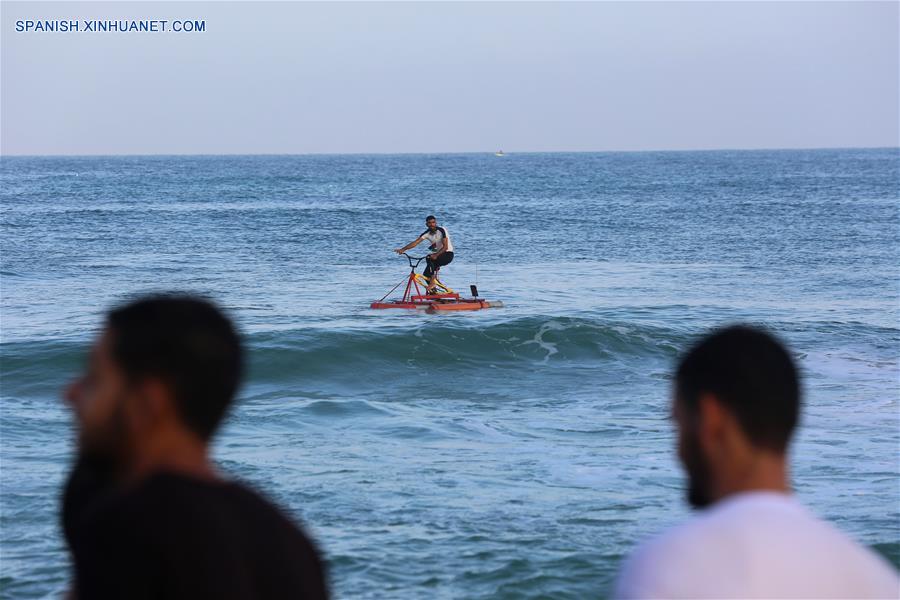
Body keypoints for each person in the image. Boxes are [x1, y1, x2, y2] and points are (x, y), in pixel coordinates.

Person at [62, 295, 328, 599]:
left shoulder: (131, 530)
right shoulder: (289, 541)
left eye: (95, 379)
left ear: (149, 403)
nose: (70, 393)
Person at [613, 325, 899, 599]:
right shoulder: (876, 580)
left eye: (679, 425)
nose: (678, 451)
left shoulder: (670, 565)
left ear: (711, 418)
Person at [394, 215, 454, 294]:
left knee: (429, 258)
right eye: (429, 223)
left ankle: (432, 283)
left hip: (448, 254)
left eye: (433, 222)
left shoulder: (441, 230)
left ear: (436, 223)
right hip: (438, 255)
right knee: (426, 274)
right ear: (427, 224)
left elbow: (445, 247)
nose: (432, 224)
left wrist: (436, 255)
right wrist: (403, 249)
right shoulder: (427, 233)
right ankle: (434, 293)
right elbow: (415, 243)